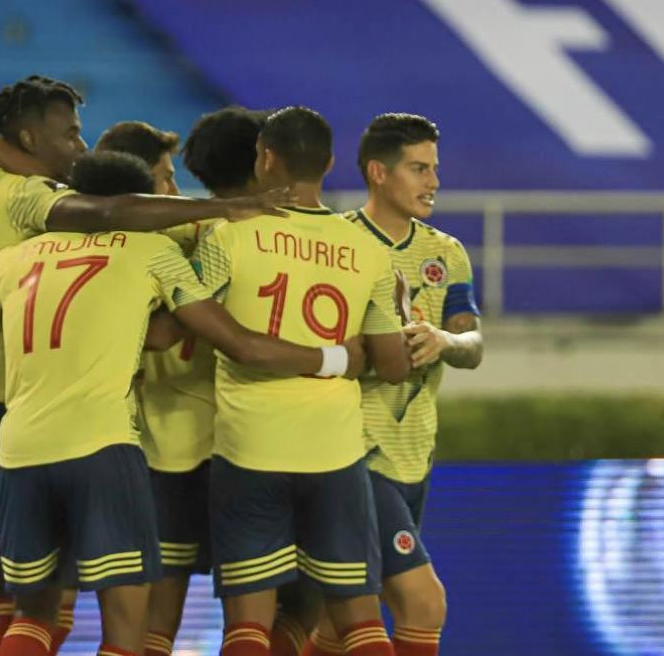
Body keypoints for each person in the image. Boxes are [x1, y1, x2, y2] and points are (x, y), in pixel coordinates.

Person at [0, 151, 366, 656]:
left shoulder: (14, 258)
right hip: (102, 447)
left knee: (33, 616)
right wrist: (337, 357)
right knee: (127, 626)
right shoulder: (150, 251)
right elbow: (233, 343)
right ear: (138, 204)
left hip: (19, 453)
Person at [191, 107, 411, 656]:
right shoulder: (369, 250)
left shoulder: (229, 237)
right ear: (331, 163)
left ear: (265, 159)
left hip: (250, 448)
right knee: (361, 621)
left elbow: (186, 327)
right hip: (334, 452)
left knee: (247, 628)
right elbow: (392, 364)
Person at [302, 113, 484, 656]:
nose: (432, 182)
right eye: (418, 169)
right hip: (354, 450)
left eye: (434, 169)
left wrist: (444, 342)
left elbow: (472, 345)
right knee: (422, 602)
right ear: (378, 173)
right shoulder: (334, 245)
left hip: (413, 452)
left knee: (340, 623)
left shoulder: (446, 253)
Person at [134, 107, 272, 656]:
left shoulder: (159, 233)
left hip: (161, 443)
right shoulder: (264, 241)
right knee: (258, 616)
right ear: (266, 161)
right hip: (243, 445)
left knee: (153, 624)